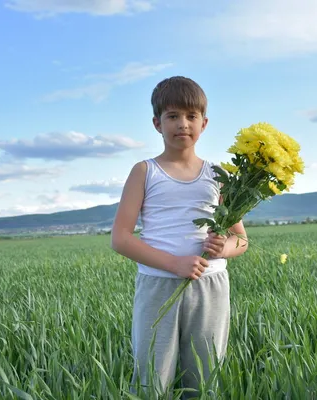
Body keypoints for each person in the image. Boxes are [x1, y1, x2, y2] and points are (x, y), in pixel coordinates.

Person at [110, 76, 248, 398]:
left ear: (204, 123)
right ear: (157, 123)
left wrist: (223, 248)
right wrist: (174, 264)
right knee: (152, 377)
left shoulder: (219, 176)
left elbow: (241, 240)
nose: (182, 124)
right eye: (172, 116)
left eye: (191, 116)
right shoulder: (145, 171)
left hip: (210, 286)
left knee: (204, 377)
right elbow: (120, 238)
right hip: (158, 284)